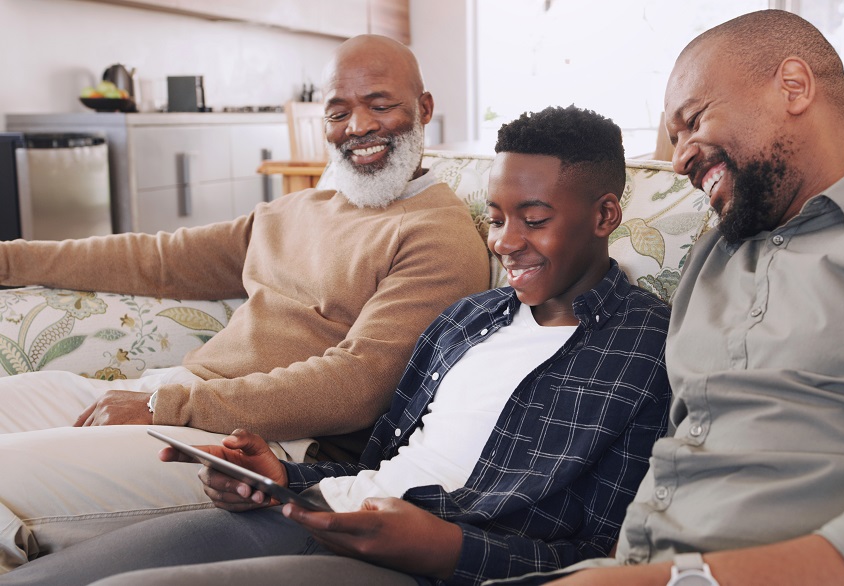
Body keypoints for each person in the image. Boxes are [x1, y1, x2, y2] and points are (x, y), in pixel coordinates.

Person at [0, 105, 674, 586]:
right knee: (51, 575)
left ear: (605, 215)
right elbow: (378, 465)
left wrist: (447, 550)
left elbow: (607, 554)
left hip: (418, 565)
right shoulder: (467, 321)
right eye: (496, 219)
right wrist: (278, 476)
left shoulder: (649, 352)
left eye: (535, 219)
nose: (505, 242)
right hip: (330, 512)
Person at [535, 9, 844, 586]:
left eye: (693, 121)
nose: (678, 159)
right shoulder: (716, 255)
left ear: (794, 86)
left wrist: (680, 581)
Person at [0, 34, 490, 573]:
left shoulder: (436, 236)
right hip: (172, 396)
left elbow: (358, 385)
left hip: (255, 445)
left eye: (380, 105)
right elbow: (159, 258)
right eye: (338, 111)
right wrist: (9, 260)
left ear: (423, 109)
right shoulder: (300, 207)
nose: (359, 127)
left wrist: (169, 405)